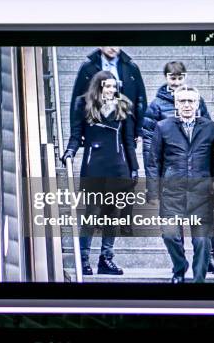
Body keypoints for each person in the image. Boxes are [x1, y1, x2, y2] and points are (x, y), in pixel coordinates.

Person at [141, 61, 214, 275]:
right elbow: (153, 161)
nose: (187, 105)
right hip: (172, 192)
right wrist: (153, 191)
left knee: (203, 241)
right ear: (176, 104)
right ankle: (180, 268)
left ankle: (198, 281)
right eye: (183, 101)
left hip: (201, 193)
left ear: (198, 104)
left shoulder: (210, 128)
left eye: (191, 101)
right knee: (169, 235)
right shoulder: (163, 126)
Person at [62, 71, 139, 276]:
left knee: (113, 214)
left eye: (114, 87)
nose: (112, 90)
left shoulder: (123, 106)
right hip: (94, 164)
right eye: (107, 86)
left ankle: (106, 259)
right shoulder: (83, 104)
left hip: (118, 164)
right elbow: (76, 135)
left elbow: (129, 140)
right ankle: (83, 259)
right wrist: (70, 151)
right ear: (98, 87)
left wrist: (134, 167)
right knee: (92, 212)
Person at [70, 47, 147, 139]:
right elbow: (77, 100)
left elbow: (140, 100)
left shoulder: (131, 68)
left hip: (124, 127)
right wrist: (77, 133)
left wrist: (139, 130)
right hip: (96, 127)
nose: (112, 48)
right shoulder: (87, 68)